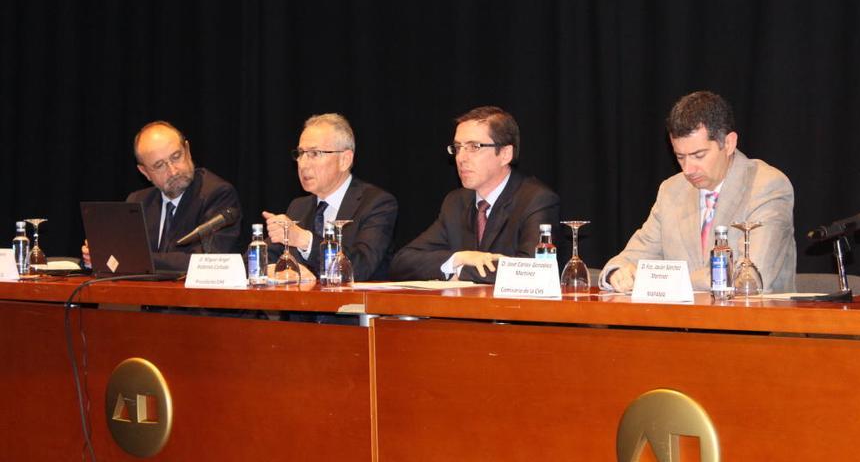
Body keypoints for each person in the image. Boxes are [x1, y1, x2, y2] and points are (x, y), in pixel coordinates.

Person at [600, 91, 796, 292]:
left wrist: (667, 280)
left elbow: (751, 278)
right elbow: (632, 255)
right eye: (680, 157)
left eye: (698, 155)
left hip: (751, 321)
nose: (688, 169)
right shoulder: (671, 190)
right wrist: (617, 273)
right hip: (681, 322)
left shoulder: (767, 186)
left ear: (728, 143)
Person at [390, 106, 560, 283]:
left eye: (473, 147)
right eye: (457, 147)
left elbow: (533, 272)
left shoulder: (535, 199)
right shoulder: (455, 203)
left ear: (505, 154)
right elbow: (402, 262)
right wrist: (458, 259)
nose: (461, 158)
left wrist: (460, 272)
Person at [82, 121, 242, 272]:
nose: (173, 171)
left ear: (187, 150)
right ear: (145, 172)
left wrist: (136, 258)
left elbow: (206, 262)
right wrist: (97, 256)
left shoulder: (217, 194)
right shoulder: (138, 202)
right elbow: (120, 259)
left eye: (176, 156)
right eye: (159, 165)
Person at [262, 113, 398, 281]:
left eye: (314, 153)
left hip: (355, 306)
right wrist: (272, 270)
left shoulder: (376, 203)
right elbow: (258, 260)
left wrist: (306, 241)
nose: (302, 163)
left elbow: (362, 266)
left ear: (344, 160)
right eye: (300, 153)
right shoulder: (299, 207)